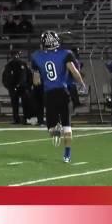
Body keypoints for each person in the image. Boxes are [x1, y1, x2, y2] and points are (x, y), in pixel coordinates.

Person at [31, 31, 87, 164]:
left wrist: (39, 76)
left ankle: (56, 128)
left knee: (51, 130)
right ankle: (67, 154)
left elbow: (36, 81)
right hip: (63, 92)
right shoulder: (65, 54)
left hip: (49, 94)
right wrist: (82, 85)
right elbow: (74, 71)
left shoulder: (36, 56)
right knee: (68, 126)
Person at [2, 50, 34, 125]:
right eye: (13, 55)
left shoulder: (24, 64)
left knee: (25, 104)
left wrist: (28, 86)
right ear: (11, 56)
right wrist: (8, 86)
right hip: (13, 88)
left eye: (16, 55)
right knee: (14, 104)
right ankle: (16, 119)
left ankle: (26, 119)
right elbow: (5, 77)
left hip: (23, 87)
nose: (15, 56)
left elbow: (29, 75)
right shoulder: (8, 66)